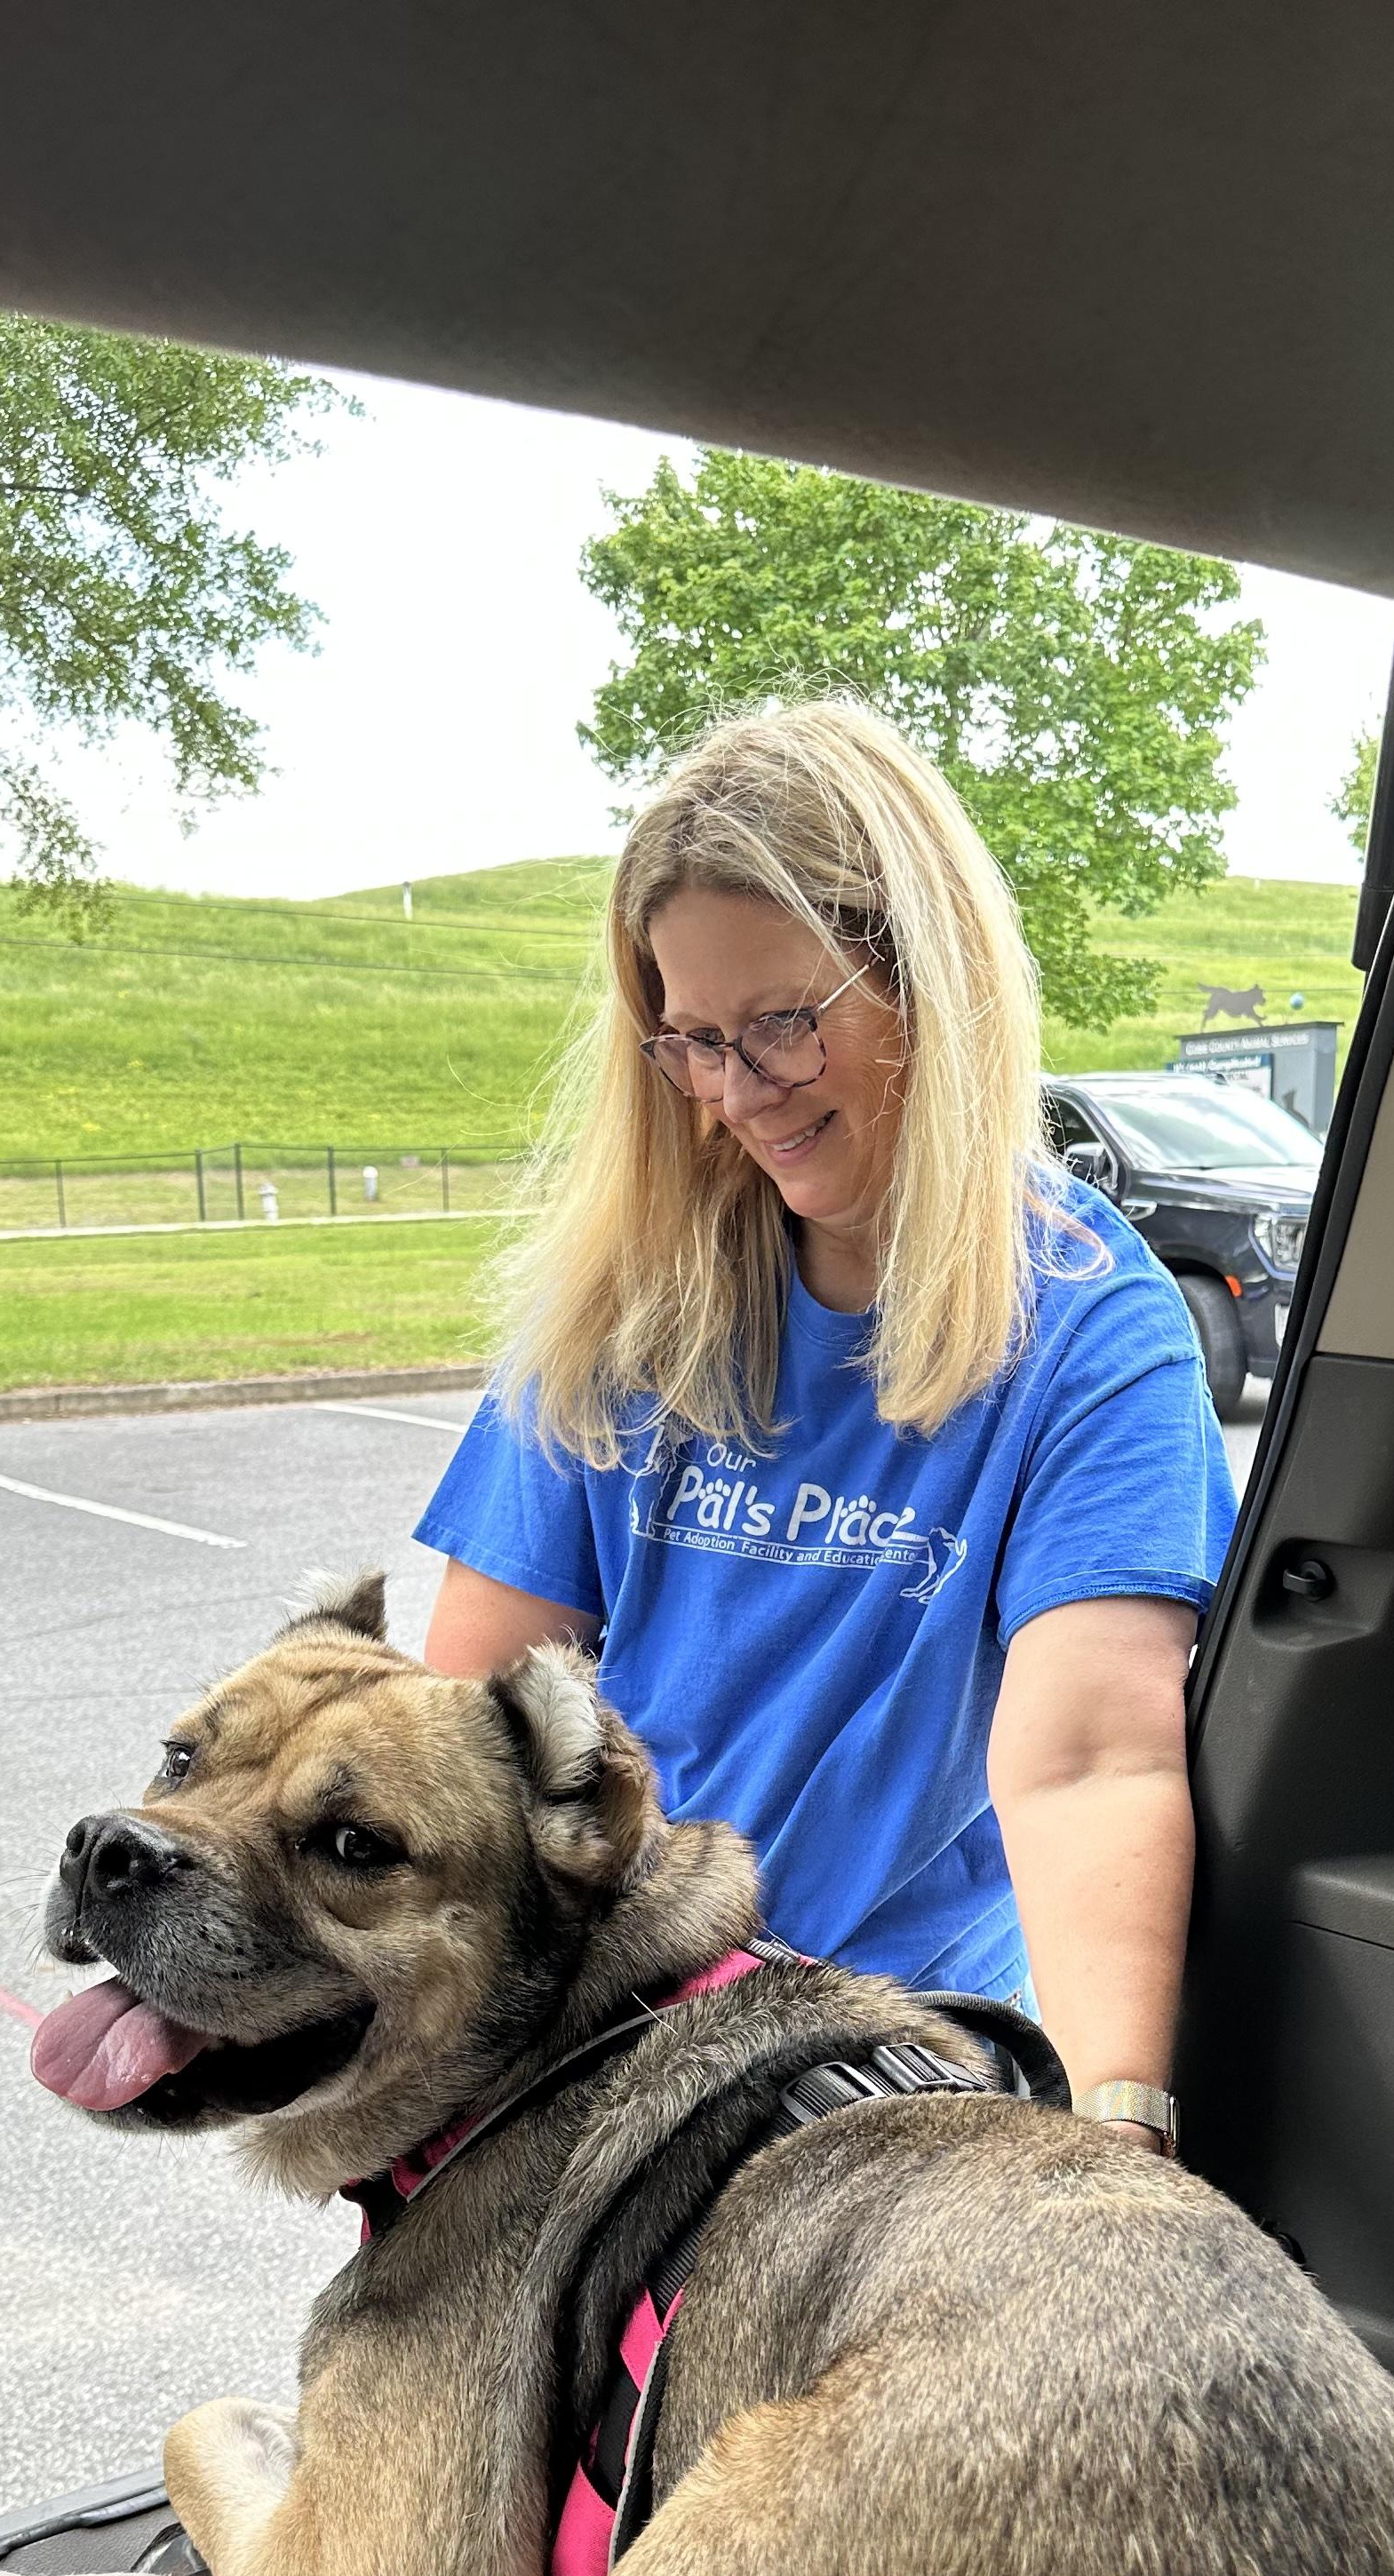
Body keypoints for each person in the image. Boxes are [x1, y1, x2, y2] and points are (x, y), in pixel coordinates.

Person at [418, 703, 1237, 2146]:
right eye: (694, 1041)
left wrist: (1117, 2129)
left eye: (783, 1026)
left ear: (929, 981)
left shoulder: (1090, 1327)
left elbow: (1092, 1765)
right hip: (600, 2035)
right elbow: (473, 1720)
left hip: (887, 2067)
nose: (736, 1095)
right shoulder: (626, 1305)